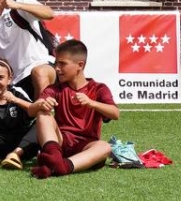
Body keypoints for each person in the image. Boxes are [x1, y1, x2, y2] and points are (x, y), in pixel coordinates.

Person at [31, 39, 119, 179]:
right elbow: (31, 110)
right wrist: (41, 104)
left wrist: (92, 103)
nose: (57, 68)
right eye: (56, 63)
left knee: (105, 147)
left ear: (80, 65)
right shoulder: (55, 88)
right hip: (60, 144)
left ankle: (61, 166)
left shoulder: (99, 89)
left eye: (62, 63)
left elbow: (115, 114)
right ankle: (55, 157)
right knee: (42, 113)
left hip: (85, 149)